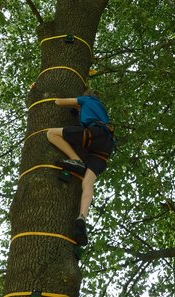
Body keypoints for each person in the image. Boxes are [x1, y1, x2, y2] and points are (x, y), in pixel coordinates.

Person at [46, 91, 114, 246]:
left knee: (51, 133)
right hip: (106, 146)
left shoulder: (86, 99)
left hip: (94, 134)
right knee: (88, 183)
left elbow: (59, 102)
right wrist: (77, 111)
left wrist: (54, 99)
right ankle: (82, 217)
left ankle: (76, 160)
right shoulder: (100, 108)